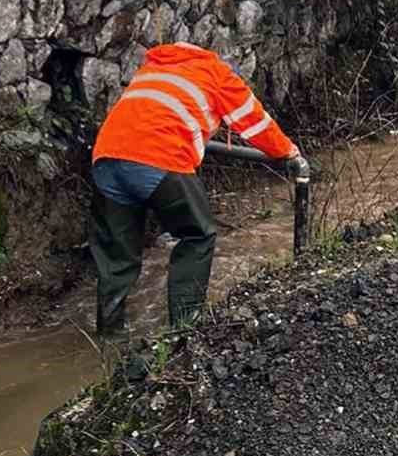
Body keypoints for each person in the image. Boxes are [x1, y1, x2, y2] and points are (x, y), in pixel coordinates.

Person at [90, 42, 305, 335]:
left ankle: (108, 337)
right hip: (159, 157)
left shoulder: (154, 67)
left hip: (106, 159)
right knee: (197, 235)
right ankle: (185, 330)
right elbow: (255, 124)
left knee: (118, 255)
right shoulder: (218, 73)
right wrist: (289, 153)